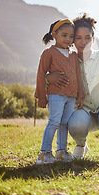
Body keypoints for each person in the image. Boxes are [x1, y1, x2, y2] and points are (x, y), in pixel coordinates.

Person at [46, 14, 99, 162]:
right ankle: (81, 146)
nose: (83, 42)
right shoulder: (69, 60)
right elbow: (51, 74)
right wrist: (48, 78)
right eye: (78, 38)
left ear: (93, 39)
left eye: (87, 38)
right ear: (72, 40)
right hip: (84, 110)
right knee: (74, 123)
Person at [35, 19, 84, 164]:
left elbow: (77, 75)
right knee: (54, 122)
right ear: (54, 34)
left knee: (65, 123)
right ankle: (45, 152)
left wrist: (79, 95)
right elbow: (41, 74)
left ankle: (61, 151)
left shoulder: (74, 55)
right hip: (55, 95)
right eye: (64, 35)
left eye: (71, 36)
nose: (68, 39)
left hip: (70, 96)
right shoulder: (48, 53)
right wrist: (41, 96)